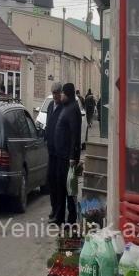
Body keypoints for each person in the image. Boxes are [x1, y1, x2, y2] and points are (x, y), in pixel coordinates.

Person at [53, 83, 82, 225]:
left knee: (69, 189)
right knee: (60, 188)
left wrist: (72, 156)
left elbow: (74, 135)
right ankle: (59, 217)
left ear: (68, 94)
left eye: (63, 93)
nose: (61, 95)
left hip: (67, 158)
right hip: (60, 156)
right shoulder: (66, 107)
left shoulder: (72, 109)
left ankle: (71, 219)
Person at [45, 82, 64, 223]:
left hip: (60, 151)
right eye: (53, 93)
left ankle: (58, 211)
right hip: (50, 149)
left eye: (57, 93)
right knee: (51, 179)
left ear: (61, 93)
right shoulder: (51, 105)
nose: (55, 96)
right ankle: (53, 208)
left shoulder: (63, 107)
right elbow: (49, 123)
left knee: (58, 182)